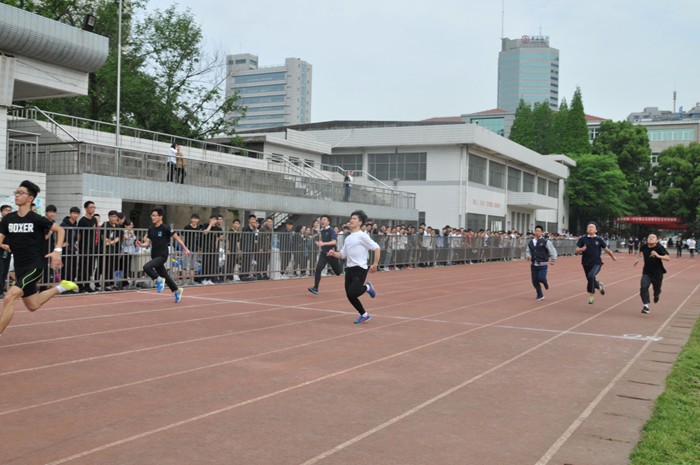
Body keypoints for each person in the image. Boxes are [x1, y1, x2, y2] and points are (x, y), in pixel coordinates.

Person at [0, 180, 78, 335]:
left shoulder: (37, 219)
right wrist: (2, 244)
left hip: (35, 266)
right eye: (16, 192)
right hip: (20, 267)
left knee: (9, 297)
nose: (17, 195)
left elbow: (60, 230)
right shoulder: (8, 219)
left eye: (21, 193)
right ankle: (61, 287)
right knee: (33, 305)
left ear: (30, 198)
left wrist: (57, 251)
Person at [327, 209, 380, 324]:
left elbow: (377, 248)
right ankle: (364, 315)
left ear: (360, 223)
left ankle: (367, 287)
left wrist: (375, 264)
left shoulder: (363, 236)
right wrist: (333, 253)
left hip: (360, 268)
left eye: (354, 219)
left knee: (353, 292)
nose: (351, 220)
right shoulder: (348, 238)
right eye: (351, 218)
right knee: (349, 295)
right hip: (349, 269)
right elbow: (342, 254)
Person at [136, 208, 189, 302]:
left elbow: (178, 239)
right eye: (152, 215)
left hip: (162, 255)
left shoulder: (166, 228)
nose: (152, 217)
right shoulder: (151, 229)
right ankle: (177, 290)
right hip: (154, 255)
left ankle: (158, 279)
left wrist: (185, 249)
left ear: (160, 217)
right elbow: (148, 243)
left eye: (155, 215)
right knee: (165, 276)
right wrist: (141, 245)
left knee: (146, 267)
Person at [575, 222, 617, 304]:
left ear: (596, 230)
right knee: (590, 279)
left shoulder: (599, 239)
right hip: (585, 263)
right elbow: (576, 251)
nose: (590, 228)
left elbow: (606, 249)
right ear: (587, 230)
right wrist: (581, 249)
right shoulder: (582, 239)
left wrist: (612, 256)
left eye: (592, 227)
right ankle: (598, 285)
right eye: (589, 227)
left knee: (591, 276)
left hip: (596, 263)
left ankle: (591, 296)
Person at [634, 233, 670, 314]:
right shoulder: (644, 246)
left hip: (658, 273)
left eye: (653, 237)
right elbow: (640, 250)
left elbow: (668, 258)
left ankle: (656, 295)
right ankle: (646, 306)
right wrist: (638, 258)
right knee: (643, 287)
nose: (651, 238)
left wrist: (658, 255)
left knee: (657, 290)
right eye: (649, 237)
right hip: (646, 272)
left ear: (656, 241)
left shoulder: (659, 247)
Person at [307, 215, 343, 295]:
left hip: (331, 254)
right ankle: (315, 288)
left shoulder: (331, 231)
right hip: (323, 254)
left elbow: (334, 242)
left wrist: (323, 244)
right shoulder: (322, 231)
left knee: (338, 272)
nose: (322, 221)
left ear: (328, 222)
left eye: (324, 219)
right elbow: (321, 238)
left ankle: (342, 261)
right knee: (318, 269)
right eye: (321, 219)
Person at [525, 225, 558, 301]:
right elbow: (527, 251)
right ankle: (540, 295)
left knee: (541, 278)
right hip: (534, 264)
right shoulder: (531, 242)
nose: (537, 232)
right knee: (534, 281)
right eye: (536, 231)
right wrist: (528, 256)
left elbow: (552, 250)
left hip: (543, 264)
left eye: (539, 231)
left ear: (542, 232)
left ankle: (545, 282)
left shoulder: (546, 242)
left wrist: (553, 259)